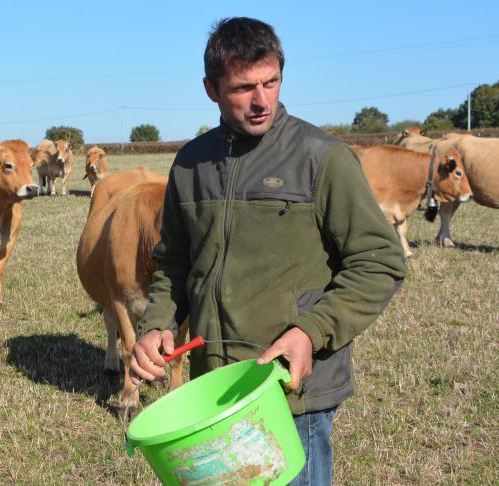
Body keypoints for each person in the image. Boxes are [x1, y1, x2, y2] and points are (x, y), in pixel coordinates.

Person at [129, 17, 406, 485]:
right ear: (211, 89)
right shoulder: (190, 165)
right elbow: (174, 262)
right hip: (216, 389)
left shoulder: (322, 157)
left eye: (271, 82)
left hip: (290, 386)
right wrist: (158, 323)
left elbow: (379, 262)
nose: (262, 100)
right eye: (243, 88)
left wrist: (311, 331)